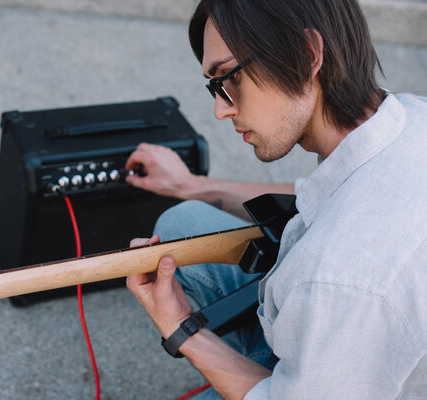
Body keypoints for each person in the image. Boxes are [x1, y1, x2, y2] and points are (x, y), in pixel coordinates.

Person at [124, 0, 427, 399]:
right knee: (182, 223)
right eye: (214, 86)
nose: (219, 109)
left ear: (306, 55)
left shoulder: (337, 279)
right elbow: (324, 193)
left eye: (229, 78)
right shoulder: (408, 115)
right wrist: (191, 185)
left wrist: (180, 327)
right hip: (348, 335)